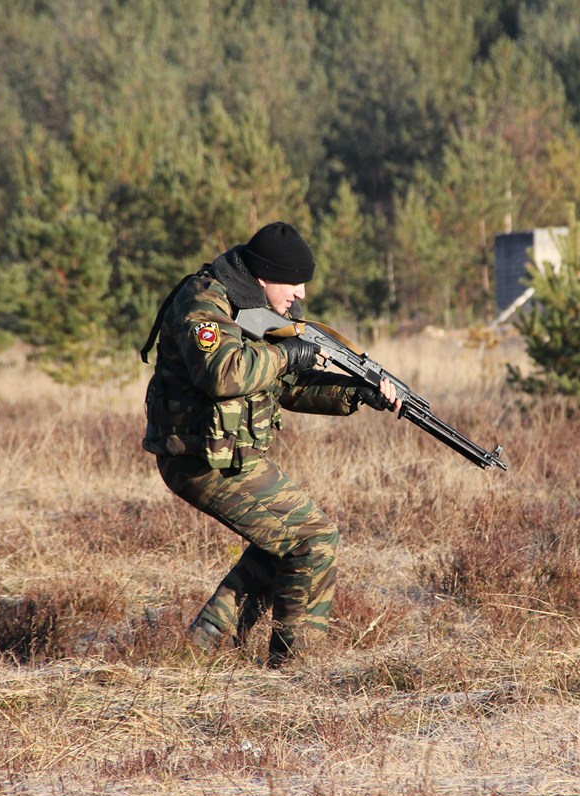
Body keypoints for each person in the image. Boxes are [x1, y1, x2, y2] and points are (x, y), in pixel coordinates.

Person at [140, 221, 400, 668]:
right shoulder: (203, 301)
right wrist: (287, 352)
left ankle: (202, 646)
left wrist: (356, 392)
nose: (300, 293)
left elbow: (290, 387)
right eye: (293, 281)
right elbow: (223, 373)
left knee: (277, 545)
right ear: (262, 274)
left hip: (226, 455)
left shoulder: (260, 310)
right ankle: (295, 670)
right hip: (199, 457)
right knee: (313, 539)